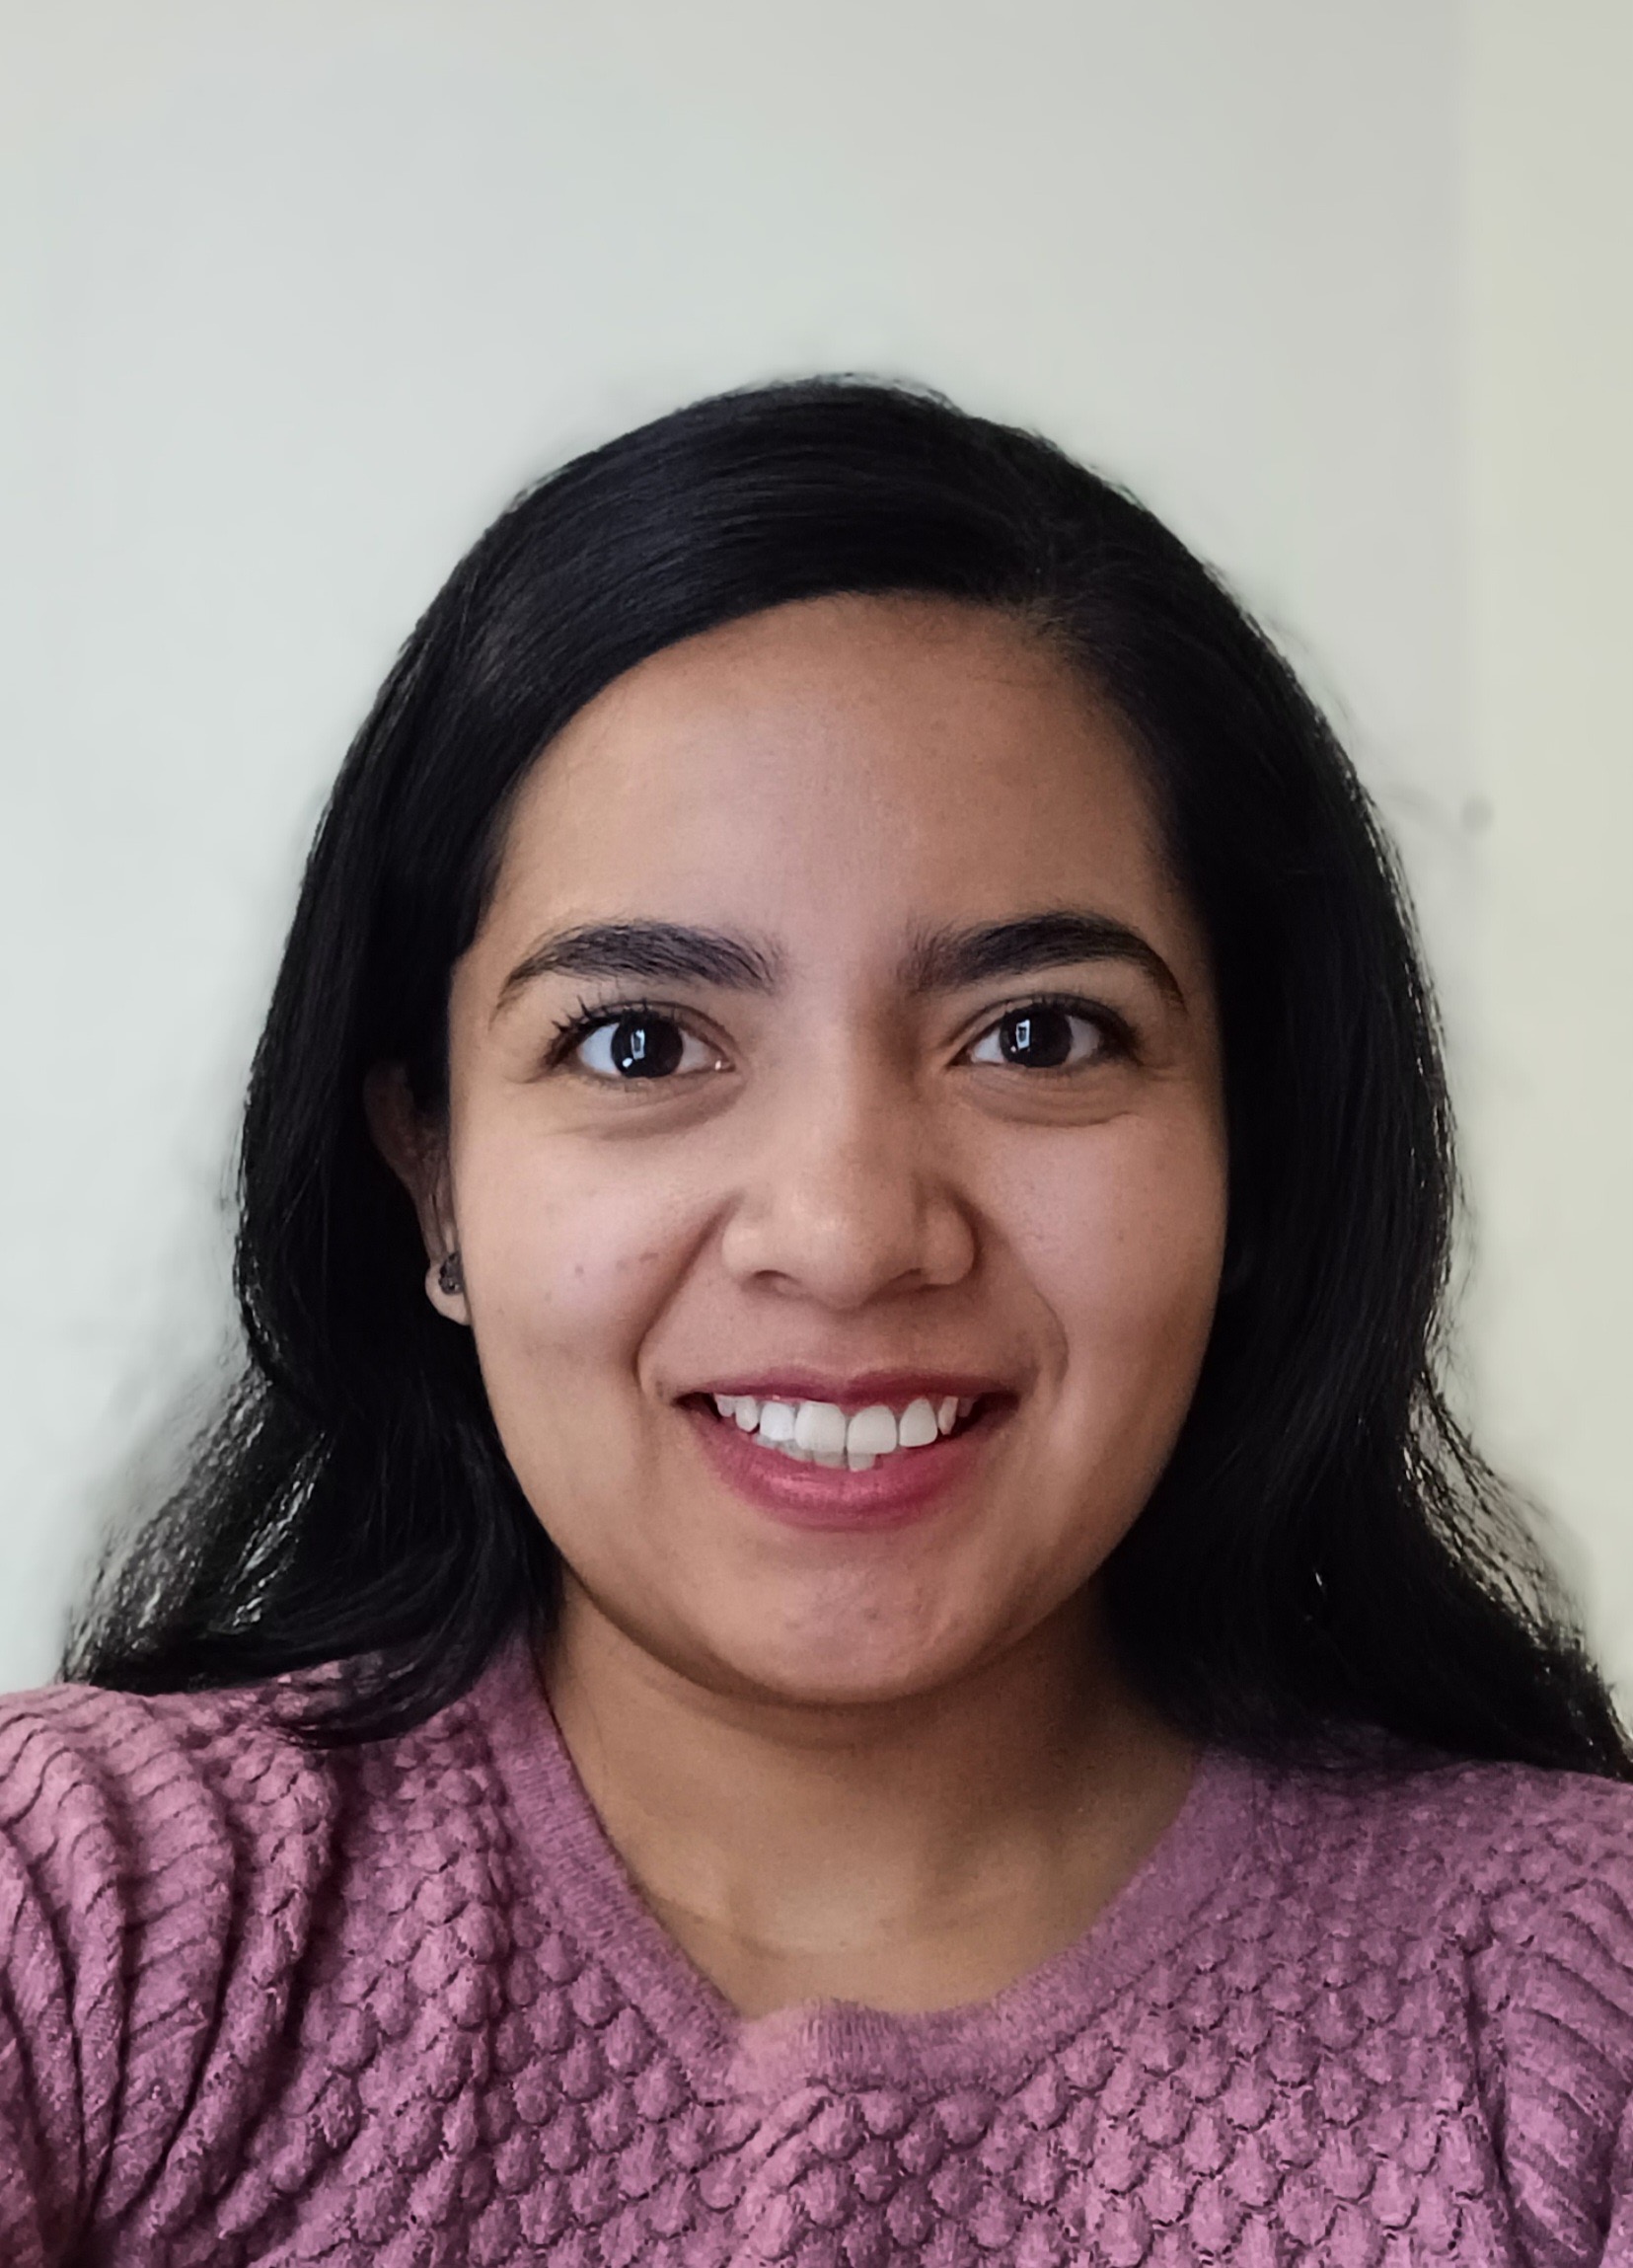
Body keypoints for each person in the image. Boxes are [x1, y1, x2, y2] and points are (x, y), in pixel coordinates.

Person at [2, 378, 1629, 2268]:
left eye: (1038, 1033)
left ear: (1255, 1147)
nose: (850, 1232)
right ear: (430, 1177)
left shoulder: (1567, 2023)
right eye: (639, 1042)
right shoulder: (92, 1920)